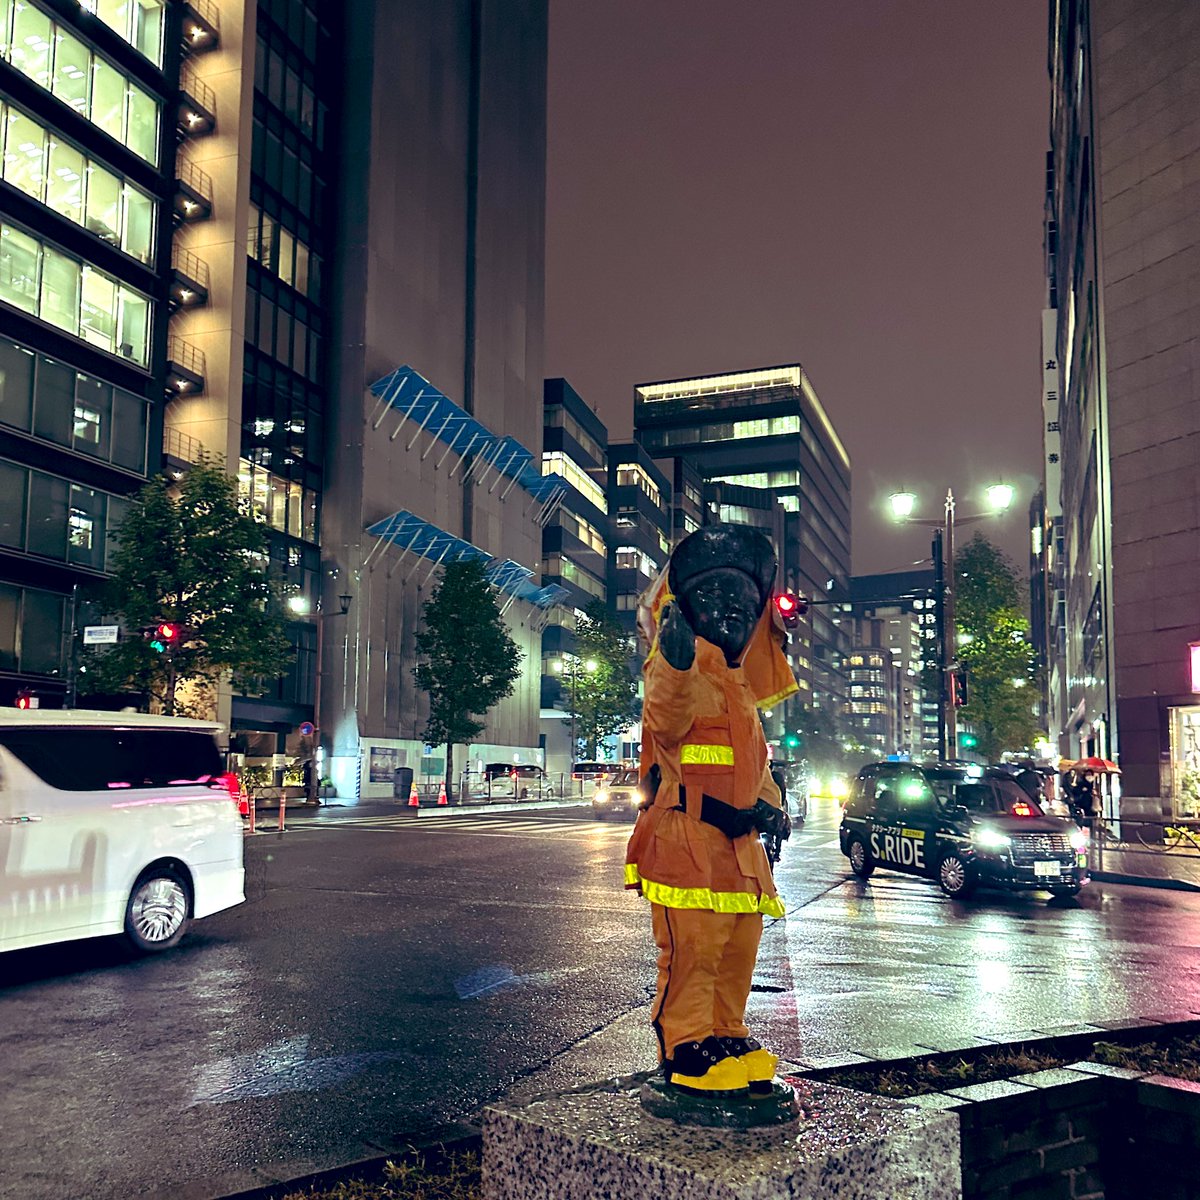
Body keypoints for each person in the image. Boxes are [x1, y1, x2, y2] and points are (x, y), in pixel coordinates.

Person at [625, 524, 797, 1099]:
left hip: (739, 850)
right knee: (693, 948)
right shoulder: (679, 667)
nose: (733, 613)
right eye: (717, 600)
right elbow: (665, 721)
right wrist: (672, 665)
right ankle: (686, 1044)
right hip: (688, 838)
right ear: (689, 609)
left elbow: (755, 765)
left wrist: (773, 807)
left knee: (737, 946)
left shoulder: (739, 683)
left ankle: (728, 1033)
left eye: (745, 606)